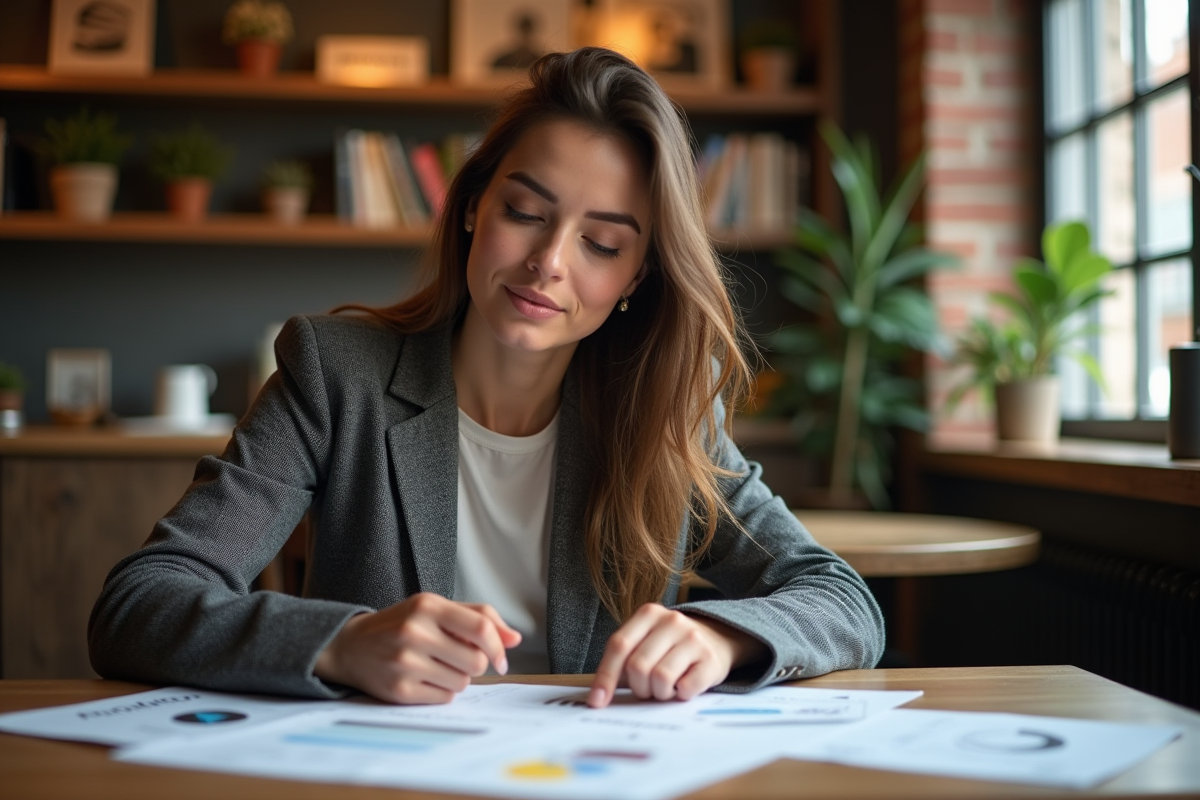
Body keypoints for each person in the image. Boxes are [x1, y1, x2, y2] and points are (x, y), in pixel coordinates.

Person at [89, 47, 884, 709]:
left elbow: (841, 598)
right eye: (526, 212)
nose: (548, 262)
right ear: (473, 205)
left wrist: (724, 636)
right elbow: (140, 602)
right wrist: (336, 644)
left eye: (602, 245)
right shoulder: (337, 374)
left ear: (637, 277)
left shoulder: (665, 406)